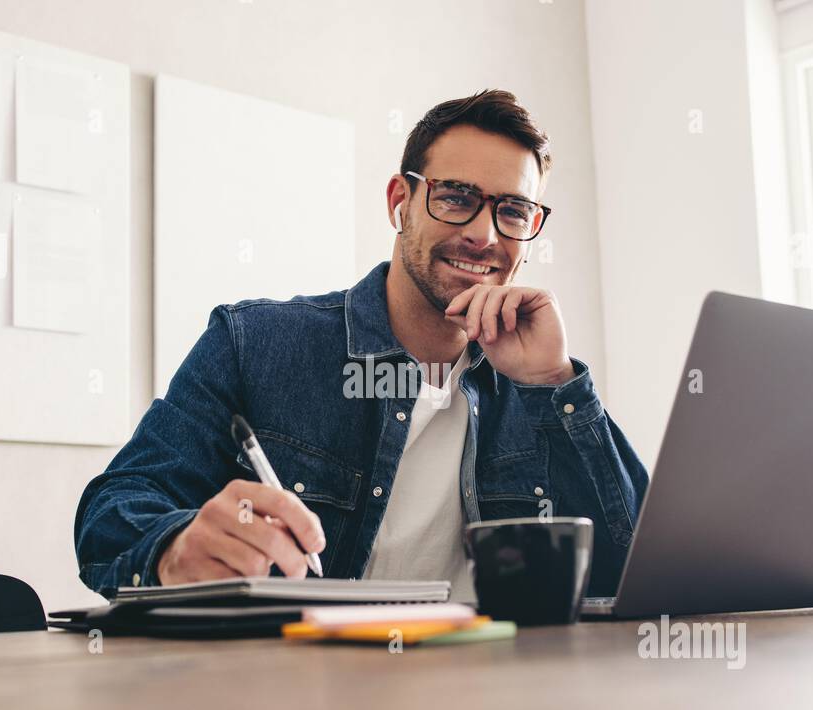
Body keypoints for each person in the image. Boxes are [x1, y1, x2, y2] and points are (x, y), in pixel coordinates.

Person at [74, 89, 647, 601]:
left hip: (488, 697)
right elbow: (111, 514)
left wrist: (556, 386)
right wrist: (175, 549)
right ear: (400, 201)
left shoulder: (537, 382)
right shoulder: (254, 343)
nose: (484, 233)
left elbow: (638, 572)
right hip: (301, 697)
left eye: (513, 211)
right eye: (455, 197)